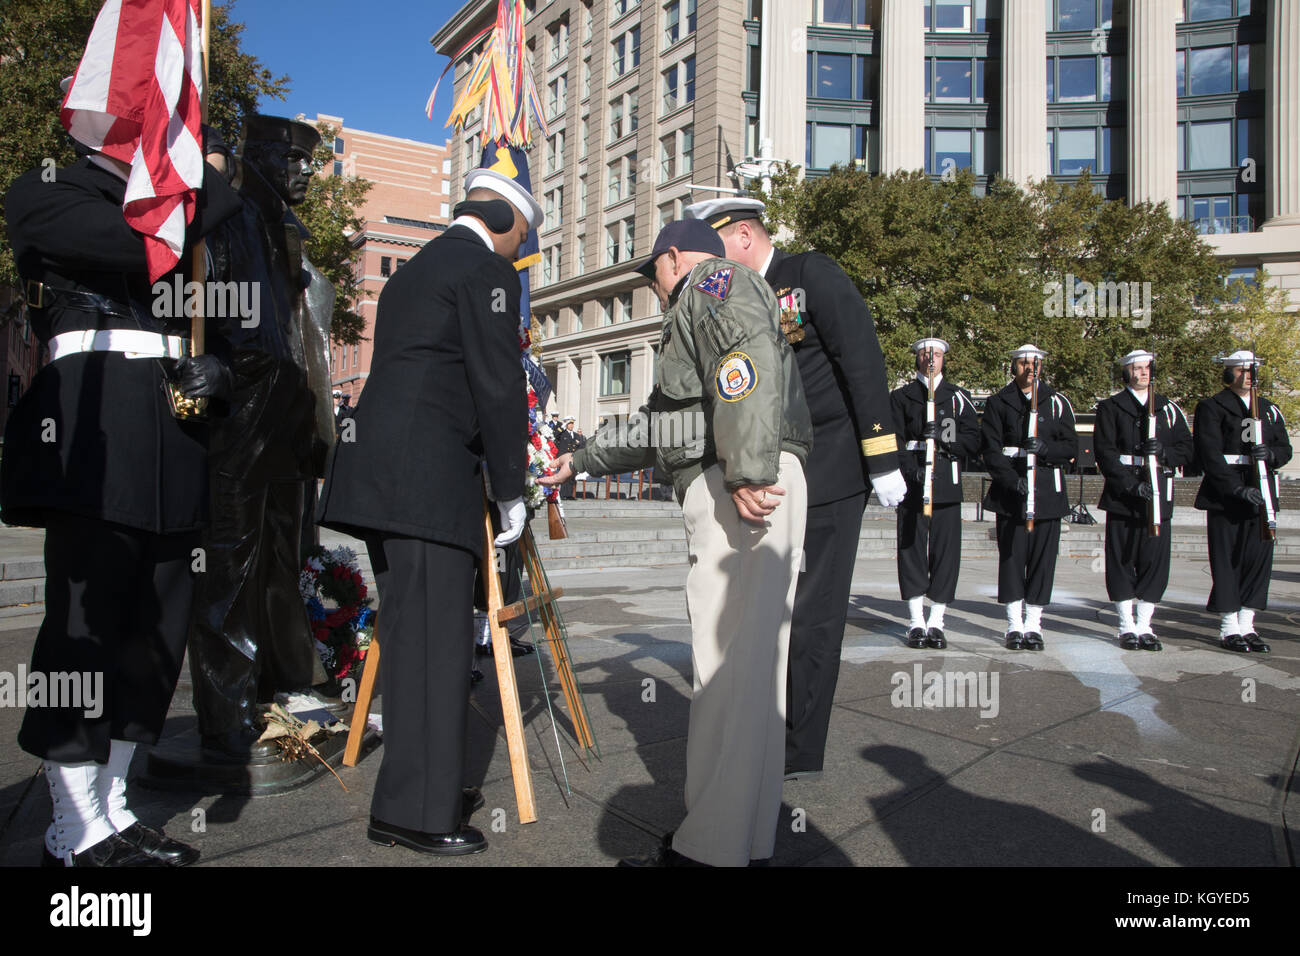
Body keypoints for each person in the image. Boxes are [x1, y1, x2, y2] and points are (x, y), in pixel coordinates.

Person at [3, 121, 241, 865]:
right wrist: (207, 182)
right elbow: (141, 246)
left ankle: (111, 808)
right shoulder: (47, 190)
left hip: (174, 435)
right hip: (93, 424)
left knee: (154, 636)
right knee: (82, 631)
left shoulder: (174, 208)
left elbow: (213, 314)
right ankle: (72, 827)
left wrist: (220, 375)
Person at [543, 219, 812, 867]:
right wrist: (579, 463)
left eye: (653, 274)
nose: (656, 288)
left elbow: (745, 356)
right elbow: (663, 424)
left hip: (740, 483)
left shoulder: (711, 284)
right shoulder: (706, 301)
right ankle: (740, 837)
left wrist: (748, 465)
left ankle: (711, 850)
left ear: (671, 258)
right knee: (750, 670)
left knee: (728, 668)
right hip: (745, 475)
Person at [316, 166, 539, 856]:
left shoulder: (416, 271)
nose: (519, 256)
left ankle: (413, 795)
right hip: (429, 483)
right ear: (504, 220)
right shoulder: (485, 273)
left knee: (416, 643)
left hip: (389, 482)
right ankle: (415, 812)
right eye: (522, 241)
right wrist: (511, 489)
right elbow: (498, 388)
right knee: (436, 651)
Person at [684, 196, 905, 780]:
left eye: (716, 248)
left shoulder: (808, 276)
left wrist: (881, 454)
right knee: (764, 611)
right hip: (763, 479)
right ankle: (764, 730)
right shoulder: (725, 300)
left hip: (829, 473)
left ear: (746, 236)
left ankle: (797, 750)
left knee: (811, 615)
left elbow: (861, 356)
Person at [187, 115, 331, 762]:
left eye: (309, 161)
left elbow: (302, 338)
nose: (303, 172)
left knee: (279, 560)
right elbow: (210, 307)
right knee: (230, 567)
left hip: (287, 418)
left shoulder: (286, 234)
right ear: (255, 155)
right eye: (290, 159)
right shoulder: (233, 216)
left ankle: (278, 682)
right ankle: (226, 712)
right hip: (241, 409)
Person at [1094, 350, 1194, 650]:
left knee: (1154, 561)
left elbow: (1187, 449)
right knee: (1122, 559)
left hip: (1158, 494)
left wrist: (1165, 453)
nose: (1144, 373)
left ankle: (1145, 625)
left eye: (1148, 368)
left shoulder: (1168, 409)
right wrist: (1128, 484)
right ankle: (1126, 625)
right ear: (1126, 372)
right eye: (1137, 369)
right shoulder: (1112, 407)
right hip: (1124, 496)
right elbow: (1106, 453)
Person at [1193, 349, 1292, 652]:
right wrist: (1235, 488)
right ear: (1228, 373)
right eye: (1241, 370)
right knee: (1227, 560)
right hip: (1227, 496)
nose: (1248, 376)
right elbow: (1209, 454)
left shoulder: (1269, 409)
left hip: (1261, 493)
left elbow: (1284, 448)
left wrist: (1272, 455)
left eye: (1252, 371)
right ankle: (1228, 626)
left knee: (1257, 560)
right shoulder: (1212, 407)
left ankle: (1247, 624)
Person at [981, 345, 1079, 649]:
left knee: (1042, 560)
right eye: (1023, 363)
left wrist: (1047, 450)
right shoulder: (999, 403)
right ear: (1013, 367)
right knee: (1012, 558)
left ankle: (1034, 624)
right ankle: (1014, 625)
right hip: (1012, 493)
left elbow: (1072, 448)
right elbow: (991, 449)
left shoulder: (1057, 403)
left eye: (1034, 364)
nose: (1029, 368)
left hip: (1047, 492)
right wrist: (1011, 480)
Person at [890, 338, 980, 648]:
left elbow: (970, 440)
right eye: (926, 353)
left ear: (944, 359)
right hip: (912, 481)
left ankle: (937, 621)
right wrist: (908, 470)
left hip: (944, 482)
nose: (931, 359)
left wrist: (944, 437)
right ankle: (915, 621)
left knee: (945, 554)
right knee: (912, 549)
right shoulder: (902, 397)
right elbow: (894, 441)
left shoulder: (956, 398)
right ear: (916, 357)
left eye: (937, 354)